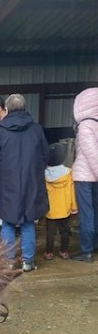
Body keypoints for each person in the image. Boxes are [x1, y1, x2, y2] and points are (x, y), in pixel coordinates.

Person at [0, 93, 49, 271]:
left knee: (7, 222)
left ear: (6, 109)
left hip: (8, 184)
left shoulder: (0, 131)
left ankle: (8, 262)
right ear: (24, 108)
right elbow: (46, 155)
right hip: (31, 183)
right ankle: (28, 262)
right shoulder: (36, 129)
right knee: (28, 222)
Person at [70, 87, 98, 262]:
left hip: (85, 177)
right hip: (94, 177)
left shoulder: (86, 126)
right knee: (95, 211)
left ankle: (86, 250)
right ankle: (94, 245)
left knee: (86, 214)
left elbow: (92, 153)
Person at [44, 143, 77, 260]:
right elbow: (72, 191)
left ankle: (49, 253)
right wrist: (74, 207)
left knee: (50, 232)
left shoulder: (44, 174)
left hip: (50, 210)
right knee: (65, 231)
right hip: (65, 209)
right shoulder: (69, 173)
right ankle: (64, 251)